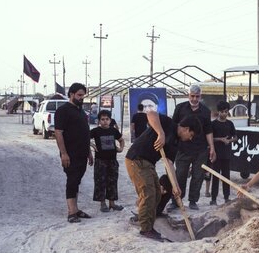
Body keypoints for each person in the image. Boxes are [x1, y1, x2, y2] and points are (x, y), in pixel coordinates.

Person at [125, 111, 201, 240]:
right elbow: (150, 114)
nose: (190, 138)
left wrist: (176, 186)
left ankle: (144, 217)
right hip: (136, 159)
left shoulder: (176, 143)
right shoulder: (168, 123)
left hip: (148, 164)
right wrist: (161, 133)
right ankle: (146, 229)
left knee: (157, 193)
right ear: (187, 129)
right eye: (191, 135)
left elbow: (169, 163)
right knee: (148, 193)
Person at [169, 84, 216, 211]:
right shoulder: (180, 108)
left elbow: (208, 130)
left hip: (200, 149)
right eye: (192, 96)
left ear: (201, 96)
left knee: (198, 176)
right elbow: (174, 127)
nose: (195, 99)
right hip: (183, 148)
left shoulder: (206, 111)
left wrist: (212, 147)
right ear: (188, 95)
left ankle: (193, 201)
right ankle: (176, 201)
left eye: (197, 96)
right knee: (180, 175)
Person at [54, 82, 94, 223]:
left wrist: (89, 152)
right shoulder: (63, 111)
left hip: (82, 153)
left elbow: (85, 133)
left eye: (83, 95)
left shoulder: (81, 111)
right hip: (70, 154)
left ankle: (76, 210)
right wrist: (64, 153)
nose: (82, 98)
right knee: (72, 180)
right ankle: (71, 212)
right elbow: (58, 133)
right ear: (71, 94)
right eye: (79, 95)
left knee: (77, 181)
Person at [90, 109, 125, 212]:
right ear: (99, 121)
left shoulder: (113, 131)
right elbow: (85, 138)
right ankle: (102, 204)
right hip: (100, 161)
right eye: (102, 119)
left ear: (110, 120)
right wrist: (92, 145)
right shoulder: (95, 131)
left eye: (107, 119)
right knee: (101, 182)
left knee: (112, 181)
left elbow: (121, 140)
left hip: (112, 161)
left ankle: (112, 204)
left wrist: (121, 148)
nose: (105, 121)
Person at [210, 101, 237, 205]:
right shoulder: (213, 124)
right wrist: (220, 139)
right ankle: (213, 198)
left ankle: (226, 197)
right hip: (216, 154)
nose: (224, 114)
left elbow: (235, 137)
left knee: (226, 177)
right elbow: (210, 138)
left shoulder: (230, 124)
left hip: (226, 154)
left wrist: (228, 141)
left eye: (226, 112)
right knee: (215, 176)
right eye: (222, 112)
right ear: (218, 112)